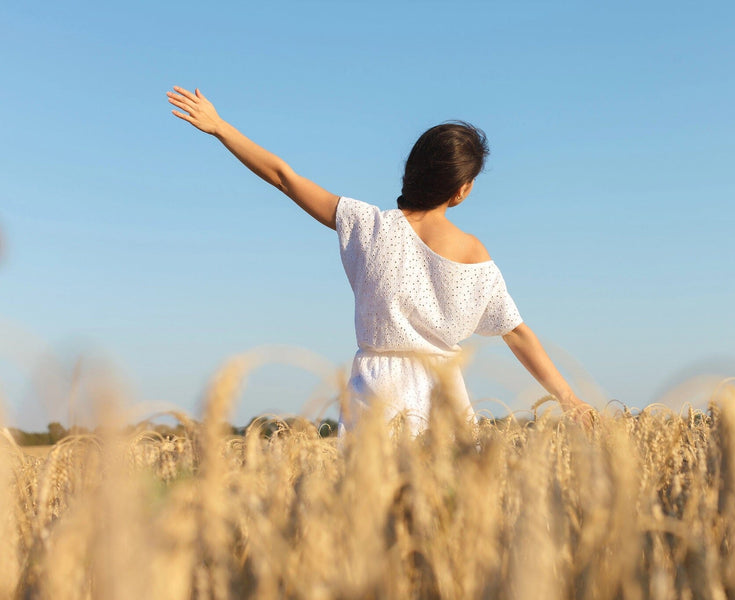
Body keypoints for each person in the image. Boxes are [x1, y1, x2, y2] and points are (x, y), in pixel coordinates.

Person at [167, 86, 593, 434]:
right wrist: (568, 398)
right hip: (445, 401)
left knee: (373, 526)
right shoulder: (473, 253)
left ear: (412, 170)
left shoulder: (368, 225)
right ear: (461, 189)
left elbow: (284, 177)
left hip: (375, 397)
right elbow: (517, 334)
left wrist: (221, 127)